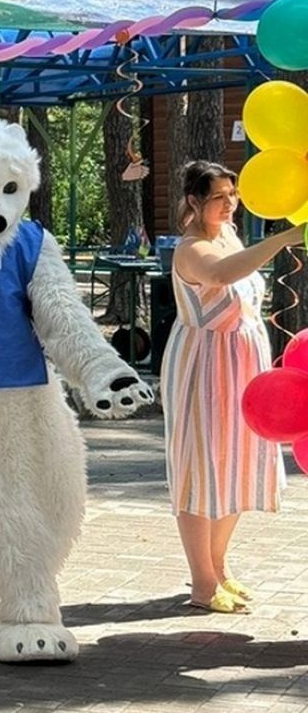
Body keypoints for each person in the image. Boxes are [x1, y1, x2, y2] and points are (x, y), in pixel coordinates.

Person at [161, 160, 304, 614]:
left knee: (238, 461)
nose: (229, 204)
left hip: (243, 358)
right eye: (219, 196)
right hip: (203, 362)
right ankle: (201, 582)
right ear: (193, 202)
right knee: (200, 463)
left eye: (233, 194)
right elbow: (221, 275)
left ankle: (219, 566)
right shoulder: (191, 248)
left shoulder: (228, 235)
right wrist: (283, 238)